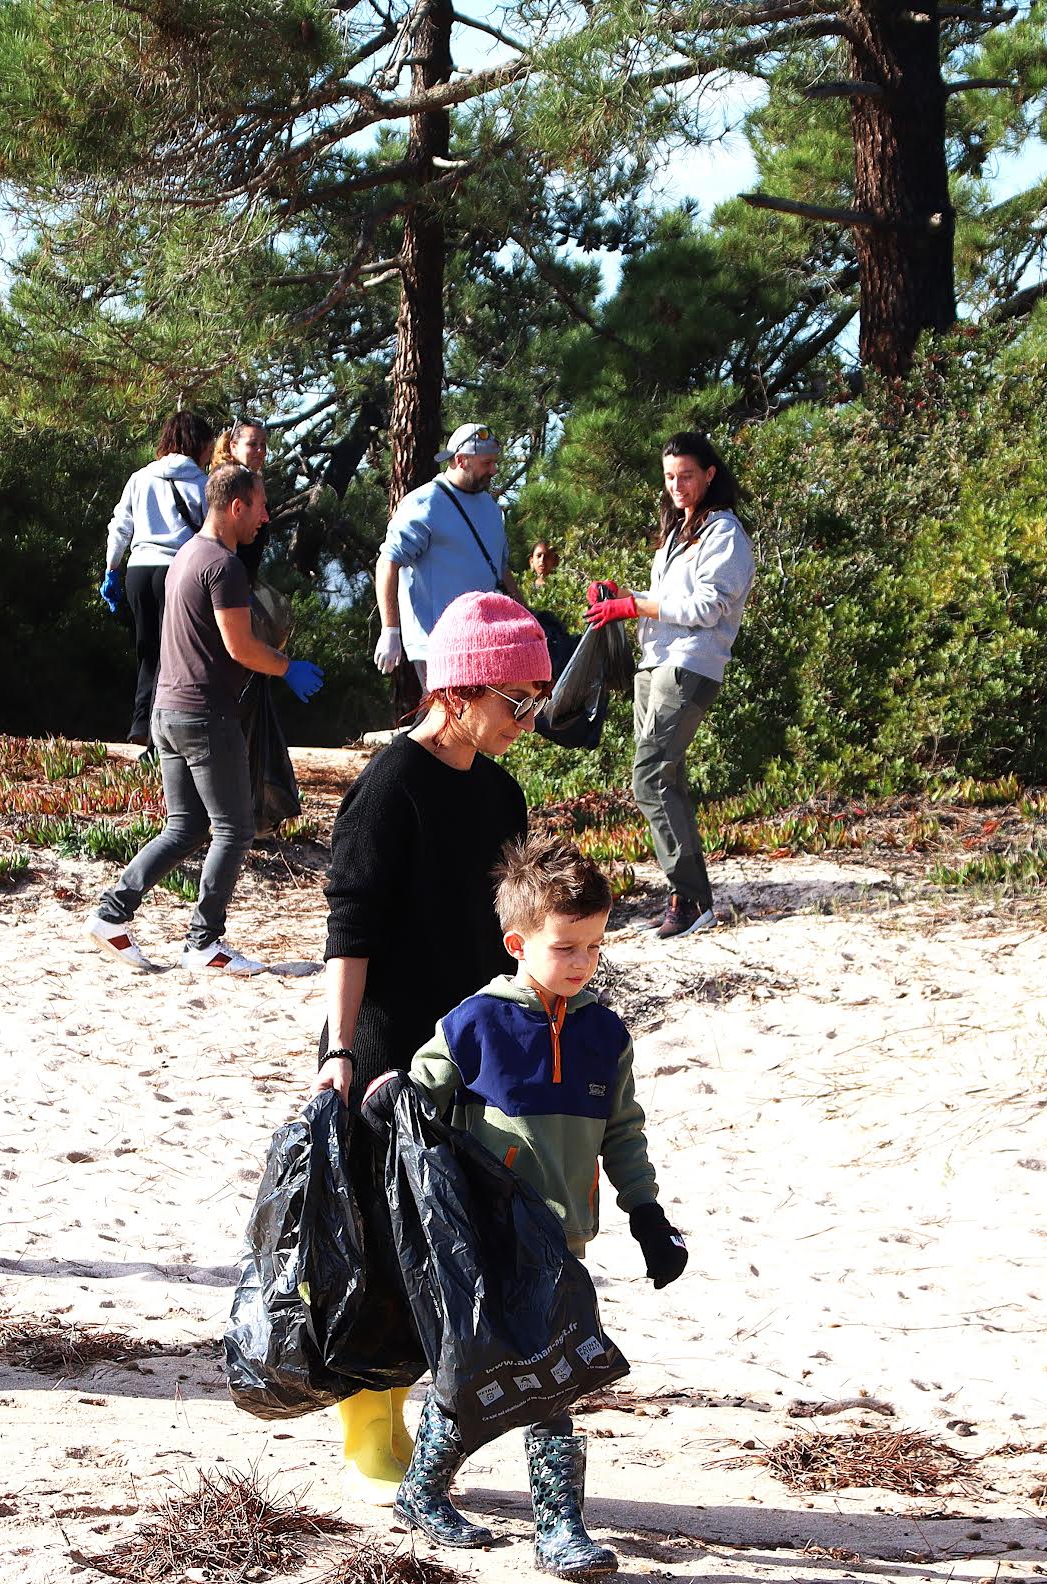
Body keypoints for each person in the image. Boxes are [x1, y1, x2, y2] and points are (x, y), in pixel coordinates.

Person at [361, 834, 687, 1572]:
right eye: (565, 947)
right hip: (486, 1232)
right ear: (517, 943)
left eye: (594, 947)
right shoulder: (476, 1022)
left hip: (563, 1237)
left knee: (518, 1365)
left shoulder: (604, 1033)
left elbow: (623, 1131)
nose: (581, 962)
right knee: (537, 1369)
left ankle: (422, 1489)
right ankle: (557, 1530)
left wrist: (647, 1216)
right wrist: (385, 1098)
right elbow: (417, 1097)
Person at [310, 589, 552, 1506]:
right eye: (516, 700)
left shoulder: (498, 790)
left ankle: (411, 1414)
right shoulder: (387, 788)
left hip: (470, 1048)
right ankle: (369, 1428)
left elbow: (512, 926)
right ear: (456, 691)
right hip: (383, 1050)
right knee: (382, 1239)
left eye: (535, 700)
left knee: (452, 1238)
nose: (527, 719)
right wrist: (339, 1053)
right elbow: (350, 931)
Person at [88, 464, 324, 974]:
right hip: (205, 716)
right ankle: (204, 942)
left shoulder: (185, 556)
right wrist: (288, 668)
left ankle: (111, 915)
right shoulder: (223, 565)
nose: (265, 516)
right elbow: (241, 647)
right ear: (236, 506)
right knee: (235, 829)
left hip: (167, 712)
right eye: (260, 505)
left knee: (186, 827)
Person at [585, 431, 754, 939]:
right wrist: (622, 596)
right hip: (655, 664)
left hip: (689, 665)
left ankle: (690, 898)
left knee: (650, 777)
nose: (677, 485)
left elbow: (707, 608)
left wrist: (634, 605)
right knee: (665, 778)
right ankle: (691, 896)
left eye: (686, 475)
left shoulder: (724, 533)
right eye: (669, 477)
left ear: (710, 474)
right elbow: (670, 600)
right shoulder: (680, 530)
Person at [372, 423, 525, 688]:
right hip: (438, 647)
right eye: (487, 463)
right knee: (449, 713)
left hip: (484, 642)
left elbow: (501, 570)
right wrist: (390, 631)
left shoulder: (490, 508)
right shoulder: (424, 503)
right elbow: (388, 563)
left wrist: (528, 618)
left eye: (494, 462)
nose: (494, 470)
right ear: (461, 461)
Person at [101, 412, 214, 746]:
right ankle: (157, 735)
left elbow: (120, 526)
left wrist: (112, 568)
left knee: (147, 650)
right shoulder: (203, 484)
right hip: (178, 572)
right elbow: (212, 533)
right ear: (199, 444)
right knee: (173, 656)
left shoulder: (140, 478)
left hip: (138, 570)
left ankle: (140, 723)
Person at [212, 418, 272, 579]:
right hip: (230, 571)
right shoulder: (229, 481)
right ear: (233, 446)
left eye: (263, 445)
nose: (260, 450)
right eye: (252, 444)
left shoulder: (248, 478)